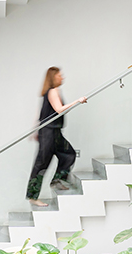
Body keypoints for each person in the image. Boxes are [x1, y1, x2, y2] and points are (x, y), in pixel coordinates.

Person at [26, 67, 87, 207]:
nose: (62, 77)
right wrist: (78, 101)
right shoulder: (53, 91)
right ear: (53, 77)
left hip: (54, 132)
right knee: (41, 165)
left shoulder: (50, 92)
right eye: (60, 75)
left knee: (69, 154)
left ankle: (57, 180)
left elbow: (39, 113)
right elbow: (59, 109)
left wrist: (36, 130)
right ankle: (32, 196)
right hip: (49, 133)